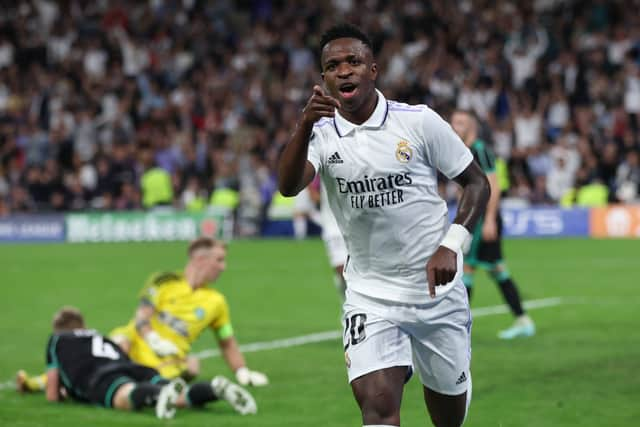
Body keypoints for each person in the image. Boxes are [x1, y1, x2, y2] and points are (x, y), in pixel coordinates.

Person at [278, 23, 490, 427]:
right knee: (377, 409)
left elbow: (476, 182)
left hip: (436, 291)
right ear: (323, 78)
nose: (343, 70)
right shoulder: (321, 135)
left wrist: (452, 242)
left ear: (373, 70)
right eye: (332, 65)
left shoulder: (418, 123)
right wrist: (304, 124)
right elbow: (288, 186)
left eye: (353, 61)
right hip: (370, 295)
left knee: (449, 418)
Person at [18, 237, 268, 392]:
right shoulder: (164, 281)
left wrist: (242, 372)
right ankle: (40, 383)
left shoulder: (217, 302)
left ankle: (56, 388)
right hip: (135, 340)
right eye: (219, 260)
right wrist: (154, 339)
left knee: (185, 370)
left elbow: (227, 340)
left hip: (168, 360)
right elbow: (141, 317)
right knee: (112, 348)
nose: (223, 267)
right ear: (200, 259)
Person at [43, 306, 257, 419]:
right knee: (179, 396)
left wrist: (60, 398)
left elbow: (52, 393)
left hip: (100, 377)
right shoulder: (100, 336)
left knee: (126, 396)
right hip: (136, 368)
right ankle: (213, 389)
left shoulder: (57, 340)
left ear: (57, 329)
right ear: (82, 324)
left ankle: (157, 396)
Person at [450, 110, 535, 339]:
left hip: (481, 219)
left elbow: (493, 185)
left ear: (472, 126)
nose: (454, 125)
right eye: (454, 121)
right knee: (497, 270)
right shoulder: (464, 151)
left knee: (466, 267)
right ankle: (523, 319)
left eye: (461, 122)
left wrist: (489, 220)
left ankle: (457, 328)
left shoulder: (480, 150)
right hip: (476, 218)